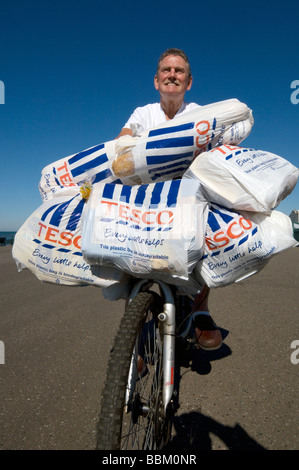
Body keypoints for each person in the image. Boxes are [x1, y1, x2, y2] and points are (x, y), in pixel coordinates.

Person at [117, 48, 222, 351]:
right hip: (147, 199)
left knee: (207, 228)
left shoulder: (199, 113)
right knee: (122, 247)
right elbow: (123, 140)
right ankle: (131, 341)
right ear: (156, 80)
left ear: (189, 82)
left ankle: (200, 308)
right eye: (166, 70)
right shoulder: (143, 113)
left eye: (179, 71)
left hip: (186, 197)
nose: (172, 75)